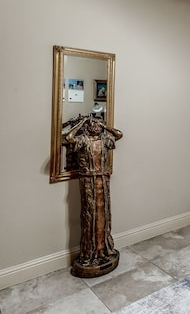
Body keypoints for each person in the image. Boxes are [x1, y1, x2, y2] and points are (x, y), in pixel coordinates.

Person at [65, 116, 123, 276]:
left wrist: (105, 125)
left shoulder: (105, 140)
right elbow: (69, 138)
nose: (97, 127)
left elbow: (119, 134)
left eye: (98, 125)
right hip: (88, 181)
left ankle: (104, 250)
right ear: (88, 127)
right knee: (90, 215)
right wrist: (81, 123)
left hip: (103, 180)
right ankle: (90, 253)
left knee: (104, 215)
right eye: (93, 124)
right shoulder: (83, 140)